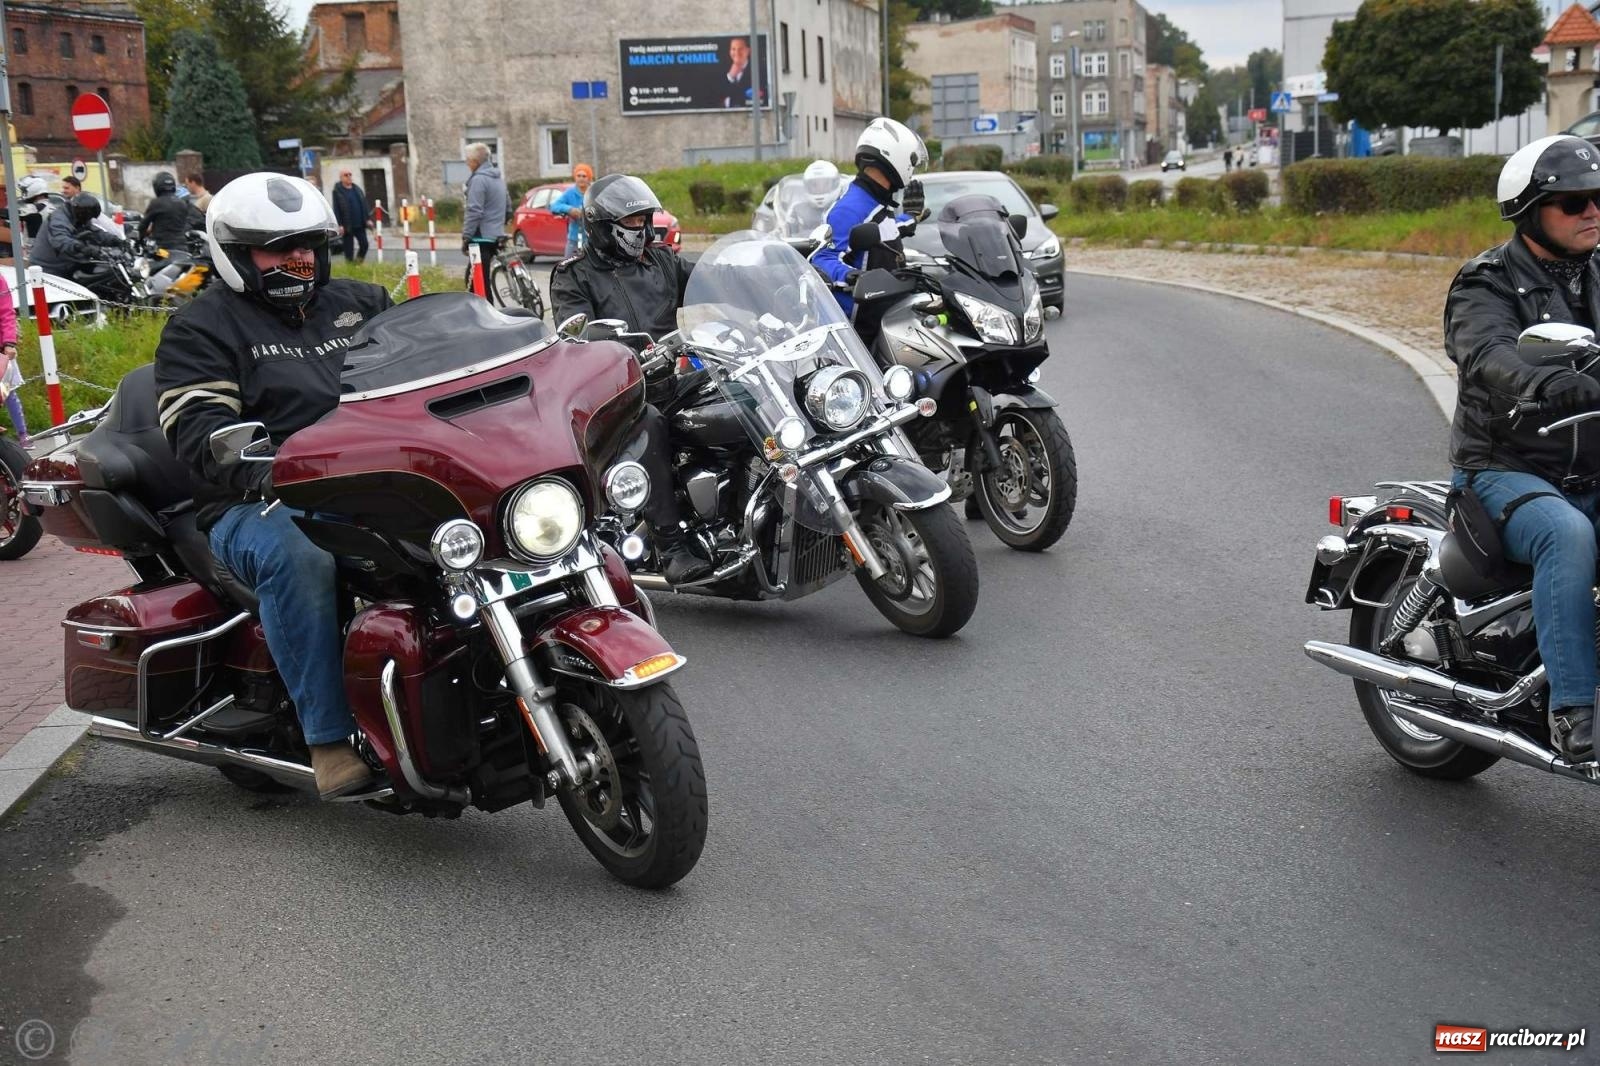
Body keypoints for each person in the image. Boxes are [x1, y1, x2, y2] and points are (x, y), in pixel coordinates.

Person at [154, 173, 393, 799]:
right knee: (302, 557)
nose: (297, 258)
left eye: (307, 245)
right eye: (277, 248)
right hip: (256, 501)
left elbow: (430, 366)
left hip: (370, 481)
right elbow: (198, 423)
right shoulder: (202, 327)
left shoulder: (363, 302)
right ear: (234, 254)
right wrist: (263, 467)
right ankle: (328, 739)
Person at [1446, 134, 1600, 763]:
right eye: (1574, 202)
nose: (1593, 211)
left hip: (1589, 468)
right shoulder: (1486, 281)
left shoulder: (1597, 272)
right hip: (1504, 468)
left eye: (1599, 197)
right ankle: (1574, 710)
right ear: (1532, 212)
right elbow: (1486, 351)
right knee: (1566, 534)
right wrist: (1543, 381)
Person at [549, 173, 710, 584]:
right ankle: (670, 544)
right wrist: (616, 349)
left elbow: (709, 279)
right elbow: (576, 337)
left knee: (734, 390)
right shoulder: (574, 275)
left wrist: (762, 280)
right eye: (633, 222)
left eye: (644, 220)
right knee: (650, 422)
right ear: (602, 226)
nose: (642, 229)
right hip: (616, 395)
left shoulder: (661, 261)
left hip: (669, 379)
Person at [812, 117, 927, 322]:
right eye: (911, 162)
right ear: (896, 157)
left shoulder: (875, 201)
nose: (912, 170)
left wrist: (910, 218)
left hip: (886, 315)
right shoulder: (850, 208)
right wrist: (853, 276)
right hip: (860, 326)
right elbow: (822, 258)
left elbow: (883, 231)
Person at [27, 192, 123, 280]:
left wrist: (115, 240)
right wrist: (83, 248)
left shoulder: (78, 219)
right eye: (89, 216)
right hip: (49, 268)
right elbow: (61, 240)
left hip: (67, 263)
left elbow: (95, 232)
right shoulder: (59, 219)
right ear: (81, 212)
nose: (89, 219)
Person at [461, 142, 507, 285]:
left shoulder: (478, 180)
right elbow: (508, 206)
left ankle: (485, 301)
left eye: (468, 160)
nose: (467, 163)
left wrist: (466, 236)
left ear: (475, 161)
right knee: (481, 279)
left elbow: (474, 210)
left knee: (475, 282)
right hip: (495, 235)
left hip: (481, 236)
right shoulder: (498, 178)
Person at [782, 159, 842, 237]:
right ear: (806, 186)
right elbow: (788, 236)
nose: (820, 190)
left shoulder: (845, 206)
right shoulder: (796, 209)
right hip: (804, 244)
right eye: (814, 185)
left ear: (835, 184)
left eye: (825, 184)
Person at [0, 273, 26, 448]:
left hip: (1, 348)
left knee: (7, 391)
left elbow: (6, 313)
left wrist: (9, 342)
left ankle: (22, 433)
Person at [138, 171, 192, 252]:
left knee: (148, 257)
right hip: (182, 248)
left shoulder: (156, 203)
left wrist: (140, 239)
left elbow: (143, 225)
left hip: (163, 250)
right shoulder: (182, 203)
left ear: (157, 186)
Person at [549, 163, 594, 258]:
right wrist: (569, 209)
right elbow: (554, 206)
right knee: (568, 263)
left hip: (592, 238)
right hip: (574, 238)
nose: (581, 178)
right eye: (578, 176)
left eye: (584, 176)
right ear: (575, 177)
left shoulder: (593, 192)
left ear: (589, 178)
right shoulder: (570, 193)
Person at [330, 169, 369, 264]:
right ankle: (350, 267)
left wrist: (367, 219)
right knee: (349, 250)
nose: (349, 177)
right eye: (346, 175)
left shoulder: (357, 189)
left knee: (364, 245)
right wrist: (339, 224)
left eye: (350, 174)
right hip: (347, 225)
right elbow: (336, 208)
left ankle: (357, 263)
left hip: (360, 223)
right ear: (341, 178)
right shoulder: (337, 191)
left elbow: (364, 204)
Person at [16, 176, 51, 242]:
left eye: (25, 190)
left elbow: (12, 213)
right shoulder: (49, 206)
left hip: (36, 246)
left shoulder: (36, 208)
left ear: (33, 189)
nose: (23, 193)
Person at [722, 36, 753, 109]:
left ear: (748, 51)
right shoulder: (722, 68)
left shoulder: (756, 69)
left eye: (740, 49)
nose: (737, 52)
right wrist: (730, 77)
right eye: (733, 49)